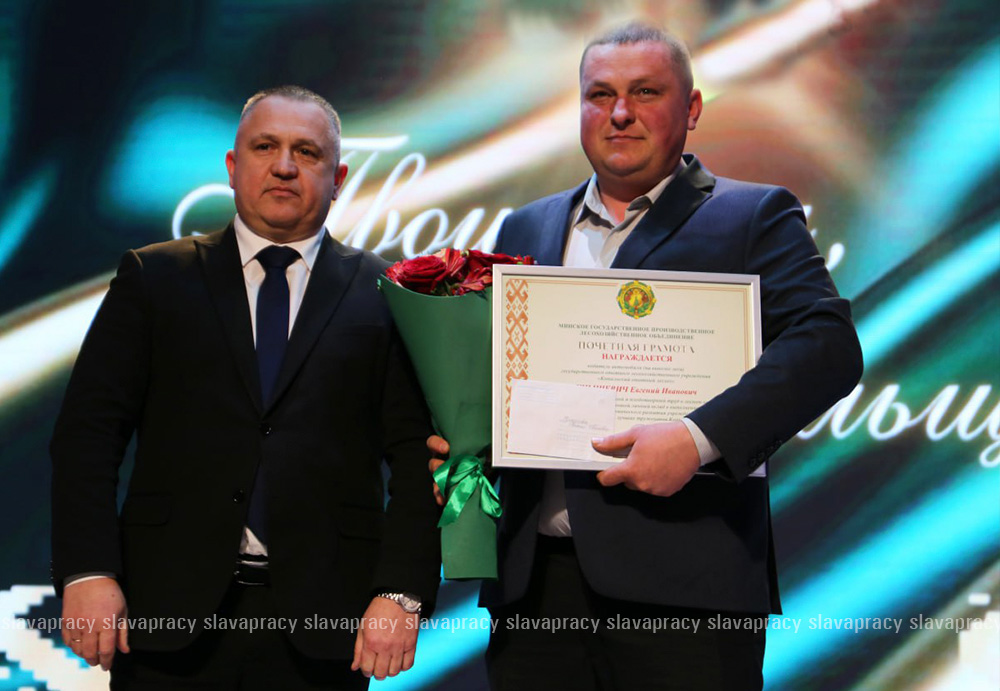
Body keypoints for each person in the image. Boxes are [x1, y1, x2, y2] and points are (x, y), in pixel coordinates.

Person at [428, 21, 863, 691]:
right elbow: (506, 378)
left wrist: (696, 439)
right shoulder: (526, 226)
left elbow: (828, 346)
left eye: (645, 92)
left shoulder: (753, 215)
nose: (620, 113)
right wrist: (469, 447)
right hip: (536, 593)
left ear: (692, 108)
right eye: (600, 94)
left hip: (686, 594)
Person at [51, 85, 441, 689]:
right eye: (266, 147)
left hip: (325, 627)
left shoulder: (386, 292)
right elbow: (87, 438)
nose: (284, 166)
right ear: (233, 168)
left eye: (306, 152)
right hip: (165, 616)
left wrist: (402, 592)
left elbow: (420, 461)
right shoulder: (154, 278)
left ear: (338, 178)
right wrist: (87, 570)